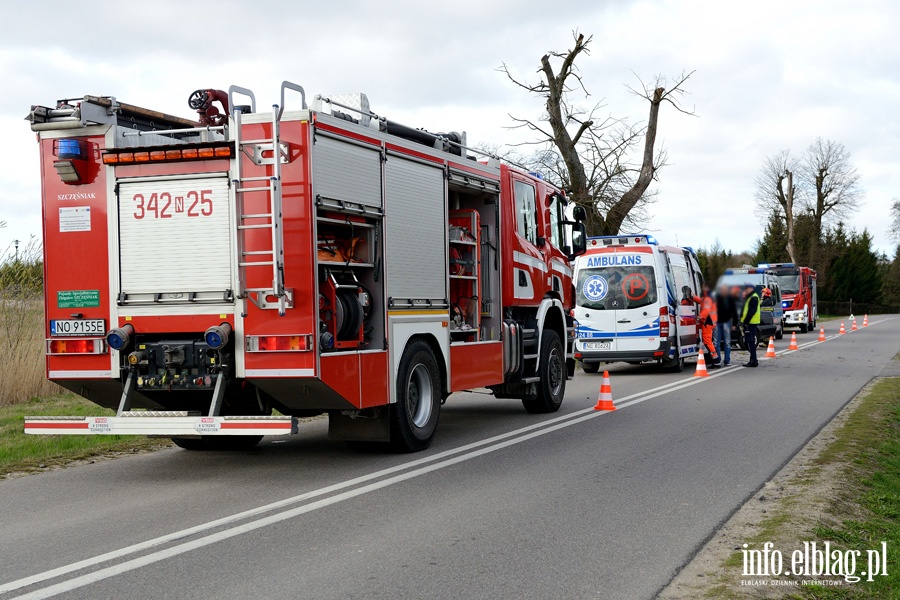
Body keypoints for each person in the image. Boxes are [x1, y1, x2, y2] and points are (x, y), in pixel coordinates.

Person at [693, 283, 720, 368]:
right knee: (708, 341)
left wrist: (700, 317)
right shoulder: (708, 297)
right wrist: (693, 297)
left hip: (708, 322)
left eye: (703, 287)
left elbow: (706, 309)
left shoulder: (708, 298)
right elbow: (701, 301)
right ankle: (715, 360)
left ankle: (716, 360)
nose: (702, 288)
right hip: (709, 321)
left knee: (708, 342)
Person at [741, 284, 761, 368]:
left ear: (752, 288)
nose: (746, 290)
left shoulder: (753, 297)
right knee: (750, 342)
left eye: (747, 289)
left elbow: (751, 311)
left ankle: (754, 361)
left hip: (750, 323)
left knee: (750, 342)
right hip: (750, 322)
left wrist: (745, 322)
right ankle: (752, 360)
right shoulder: (751, 297)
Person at [715, 284, 736, 366]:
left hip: (726, 322)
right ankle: (718, 360)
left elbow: (734, 312)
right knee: (716, 343)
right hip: (717, 322)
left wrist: (734, 324)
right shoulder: (717, 298)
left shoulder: (730, 299)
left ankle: (727, 360)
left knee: (727, 342)